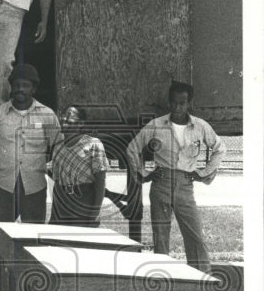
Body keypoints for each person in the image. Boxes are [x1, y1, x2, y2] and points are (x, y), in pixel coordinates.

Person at [126, 81, 226, 277]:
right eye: (174, 102)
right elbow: (132, 149)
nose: (178, 107)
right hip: (161, 183)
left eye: (182, 103)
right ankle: (165, 284)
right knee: (161, 238)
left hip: (185, 186)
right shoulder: (156, 125)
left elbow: (220, 148)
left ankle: (204, 285)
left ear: (189, 103)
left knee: (195, 236)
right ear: (169, 102)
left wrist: (203, 173)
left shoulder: (200, 126)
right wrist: (144, 174)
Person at [0, 62, 63, 270]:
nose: (20, 90)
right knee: (1, 240)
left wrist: (39, 163)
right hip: (4, 186)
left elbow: (58, 145)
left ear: (33, 88)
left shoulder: (47, 115)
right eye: (16, 85)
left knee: (33, 240)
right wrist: (5, 162)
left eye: (25, 86)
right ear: (10, 87)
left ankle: (31, 290)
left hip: (34, 186)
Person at [50, 106, 108, 227]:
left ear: (80, 123)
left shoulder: (93, 144)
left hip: (83, 199)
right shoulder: (57, 147)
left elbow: (100, 181)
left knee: (81, 241)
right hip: (62, 202)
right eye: (63, 120)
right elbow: (57, 182)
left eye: (69, 121)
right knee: (59, 241)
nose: (64, 123)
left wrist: (96, 211)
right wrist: (55, 212)